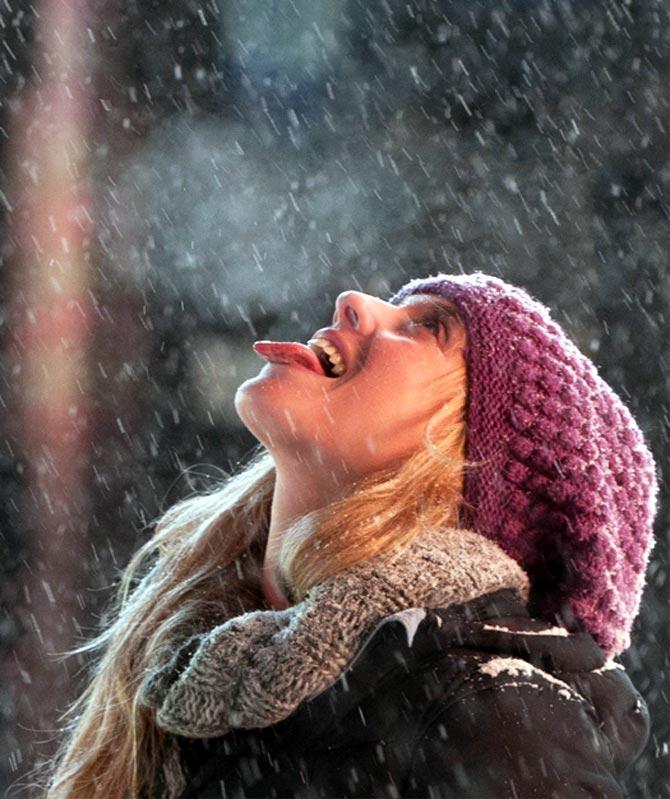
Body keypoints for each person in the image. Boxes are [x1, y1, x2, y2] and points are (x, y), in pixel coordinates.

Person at [46, 272, 658, 799]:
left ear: (469, 465)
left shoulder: (500, 717)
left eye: (427, 328)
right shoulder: (192, 674)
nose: (352, 301)